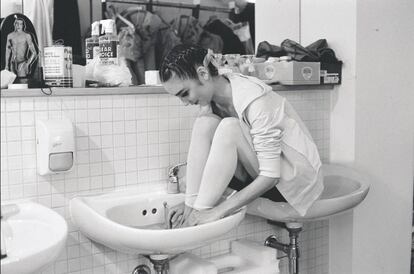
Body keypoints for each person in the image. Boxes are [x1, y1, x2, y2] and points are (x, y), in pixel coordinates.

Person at [160, 44, 323, 228]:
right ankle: (193, 211)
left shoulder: (254, 99)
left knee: (229, 127)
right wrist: (189, 203)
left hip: (289, 184)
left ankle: (194, 220)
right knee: (204, 123)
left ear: (203, 74)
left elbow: (271, 176)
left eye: (184, 93)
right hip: (257, 175)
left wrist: (216, 212)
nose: (184, 103)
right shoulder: (210, 104)